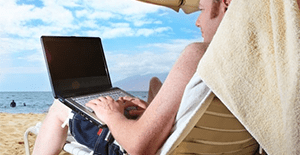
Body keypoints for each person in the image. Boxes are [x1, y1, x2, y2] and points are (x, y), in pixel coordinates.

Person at [33, 0, 232, 154]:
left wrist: (111, 113)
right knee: (153, 83)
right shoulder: (247, 66)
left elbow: (139, 148)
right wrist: (154, 113)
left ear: (226, 4)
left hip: (124, 148)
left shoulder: (198, 54)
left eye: (201, 10)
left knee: (60, 106)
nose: (197, 21)